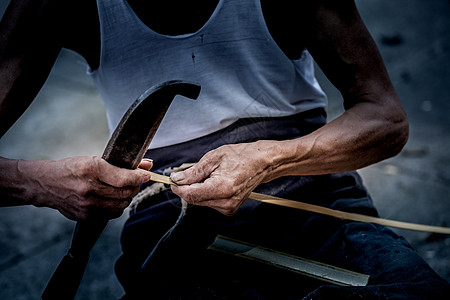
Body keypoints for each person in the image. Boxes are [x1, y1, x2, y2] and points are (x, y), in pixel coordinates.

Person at [0, 0, 449, 299]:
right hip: (169, 224)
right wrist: (36, 181)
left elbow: (386, 119)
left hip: (316, 199)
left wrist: (268, 158)